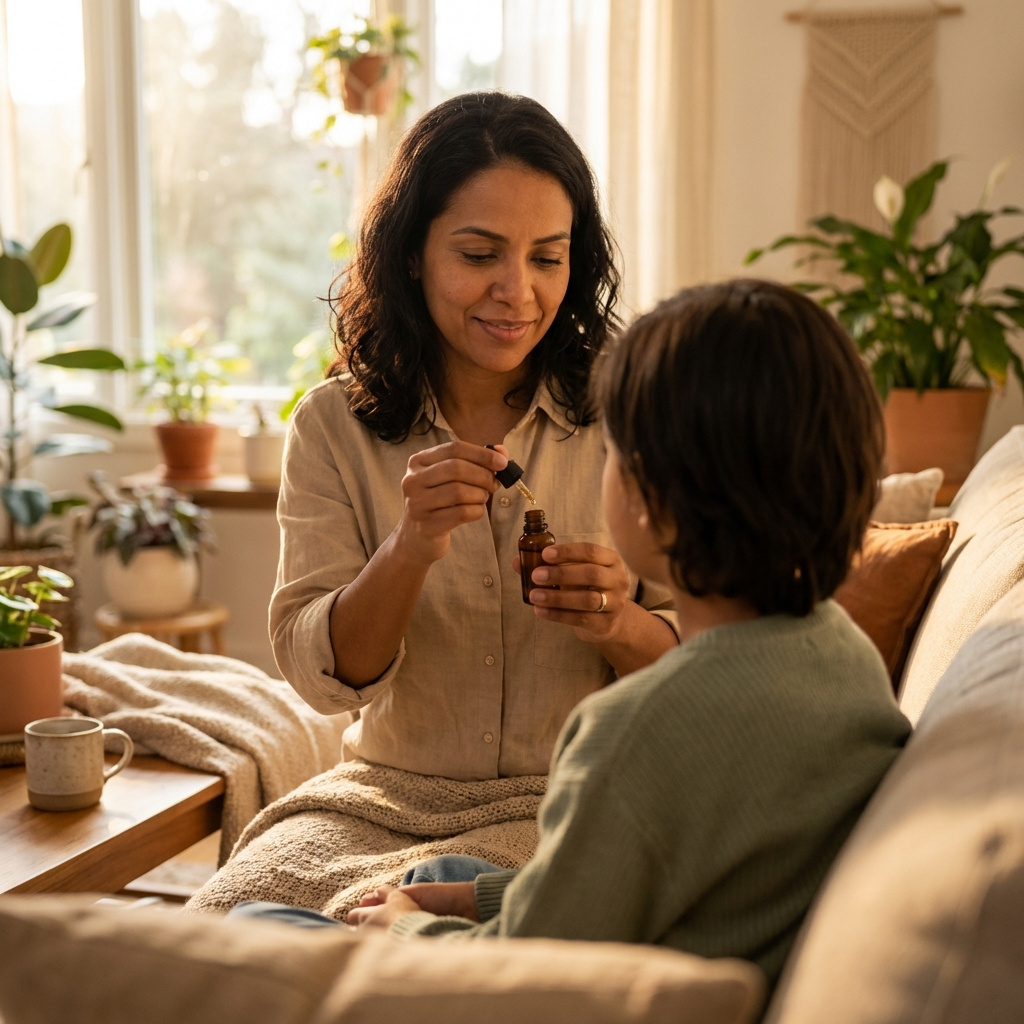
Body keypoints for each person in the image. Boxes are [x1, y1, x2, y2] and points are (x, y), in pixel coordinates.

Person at [340, 280, 912, 991]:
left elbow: (533, 983)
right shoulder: (845, 652)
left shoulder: (632, 732)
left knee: (263, 928)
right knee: (443, 876)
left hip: (615, 995)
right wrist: (463, 902)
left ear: (651, 503)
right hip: (702, 929)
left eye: (613, 450)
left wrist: (404, 931)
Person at [272, 92, 678, 781]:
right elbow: (322, 680)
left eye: (547, 259)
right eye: (480, 254)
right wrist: (408, 548)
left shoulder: (634, 410)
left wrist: (620, 623)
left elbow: (712, 666)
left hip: (579, 803)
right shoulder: (329, 427)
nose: (516, 291)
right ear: (410, 255)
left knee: (450, 894)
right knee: (249, 898)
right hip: (387, 802)